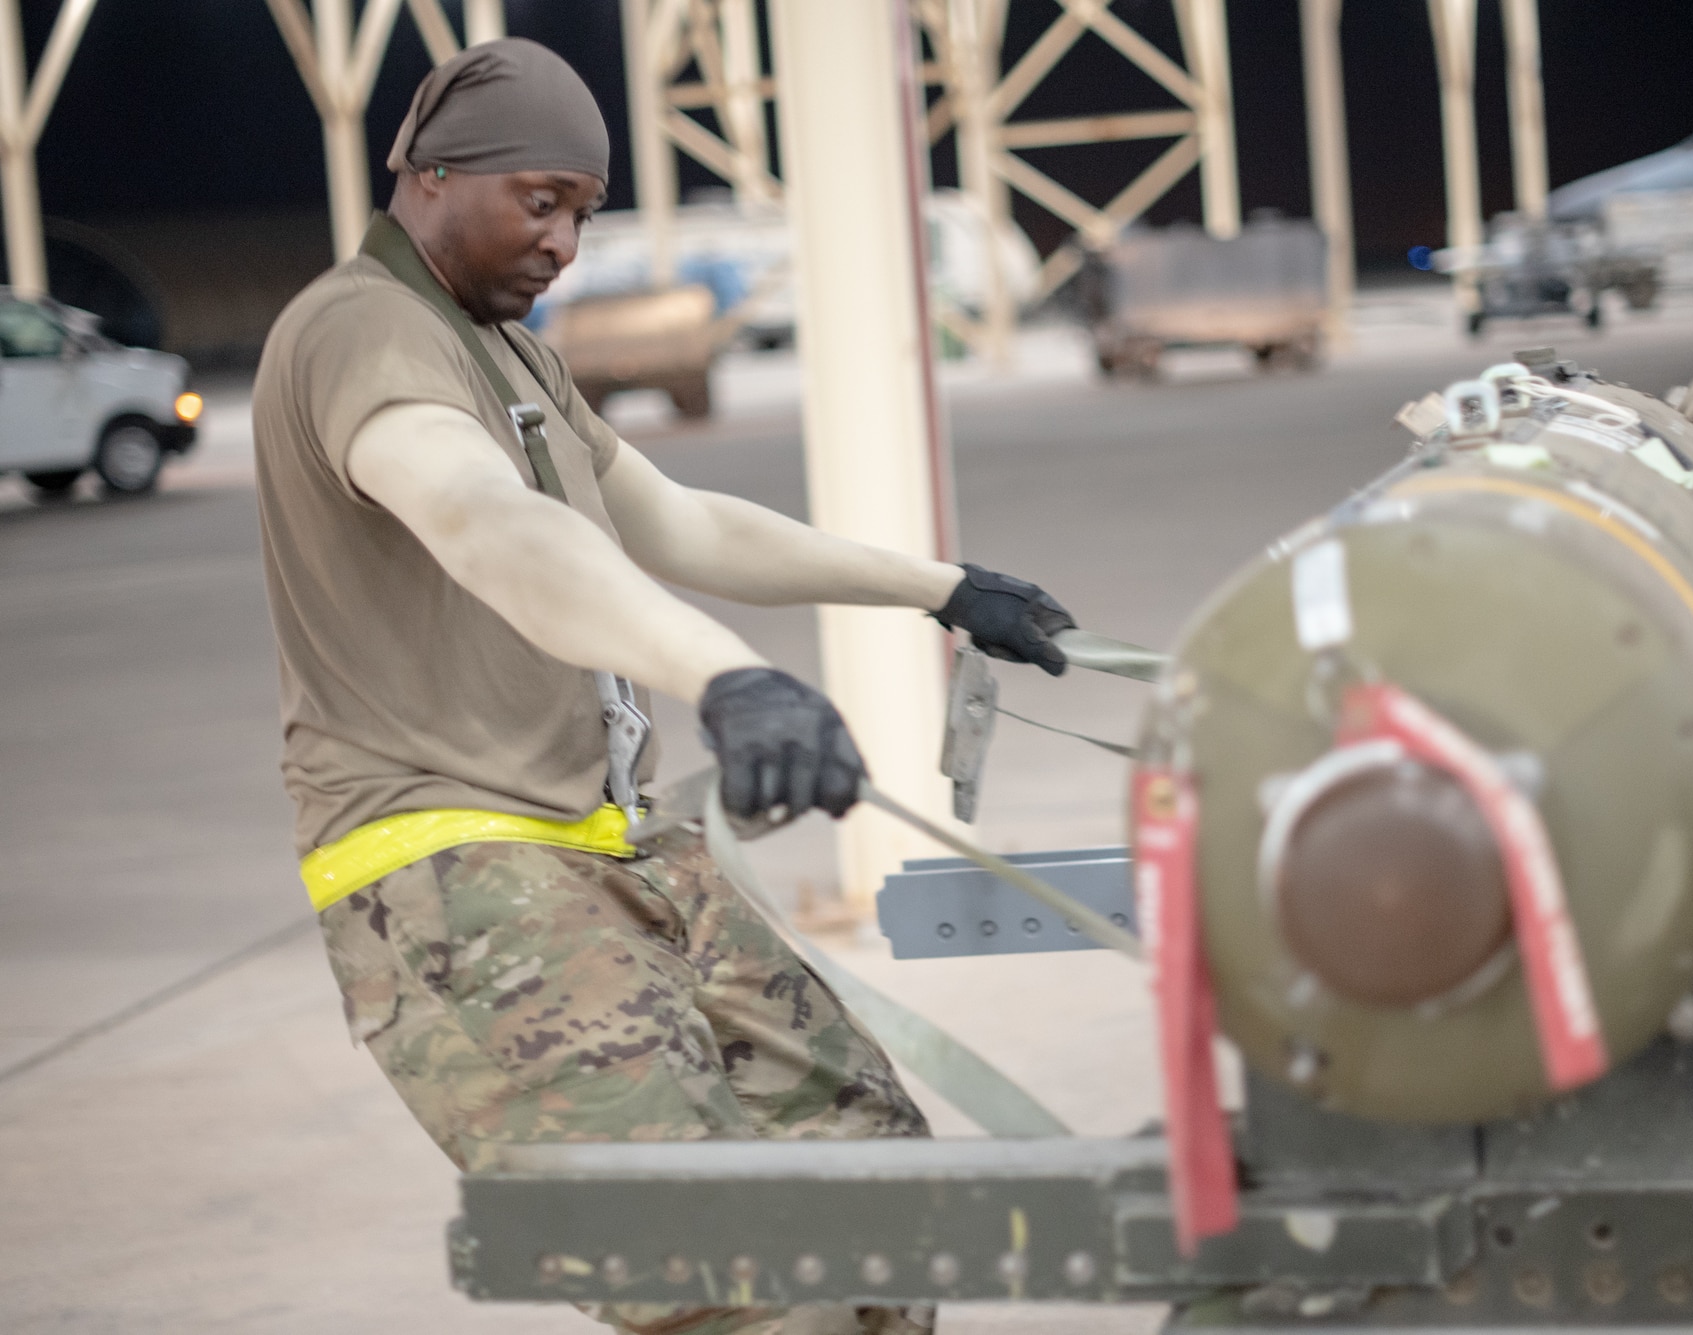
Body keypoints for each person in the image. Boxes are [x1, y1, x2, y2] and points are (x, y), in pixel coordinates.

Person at [252, 39, 1076, 1335]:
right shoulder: (362, 330)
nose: (567, 243)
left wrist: (941, 586)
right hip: (456, 858)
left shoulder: (515, 356)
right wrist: (726, 677)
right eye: (540, 201)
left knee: (876, 1182)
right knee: (716, 1269)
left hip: (617, 841)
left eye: (583, 209)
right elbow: (482, 524)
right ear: (424, 174)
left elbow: (680, 523)